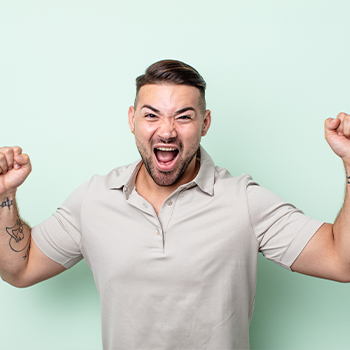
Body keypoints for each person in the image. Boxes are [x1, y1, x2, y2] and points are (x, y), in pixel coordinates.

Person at [0, 59, 350, 350]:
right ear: (131, 120)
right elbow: (20, 267)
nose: (167, 131)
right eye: (151, 115)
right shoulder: (93, 199)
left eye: (184, 117)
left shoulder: (243, 200)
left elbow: (341, 260)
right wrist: (4, 195)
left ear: (205, 123)